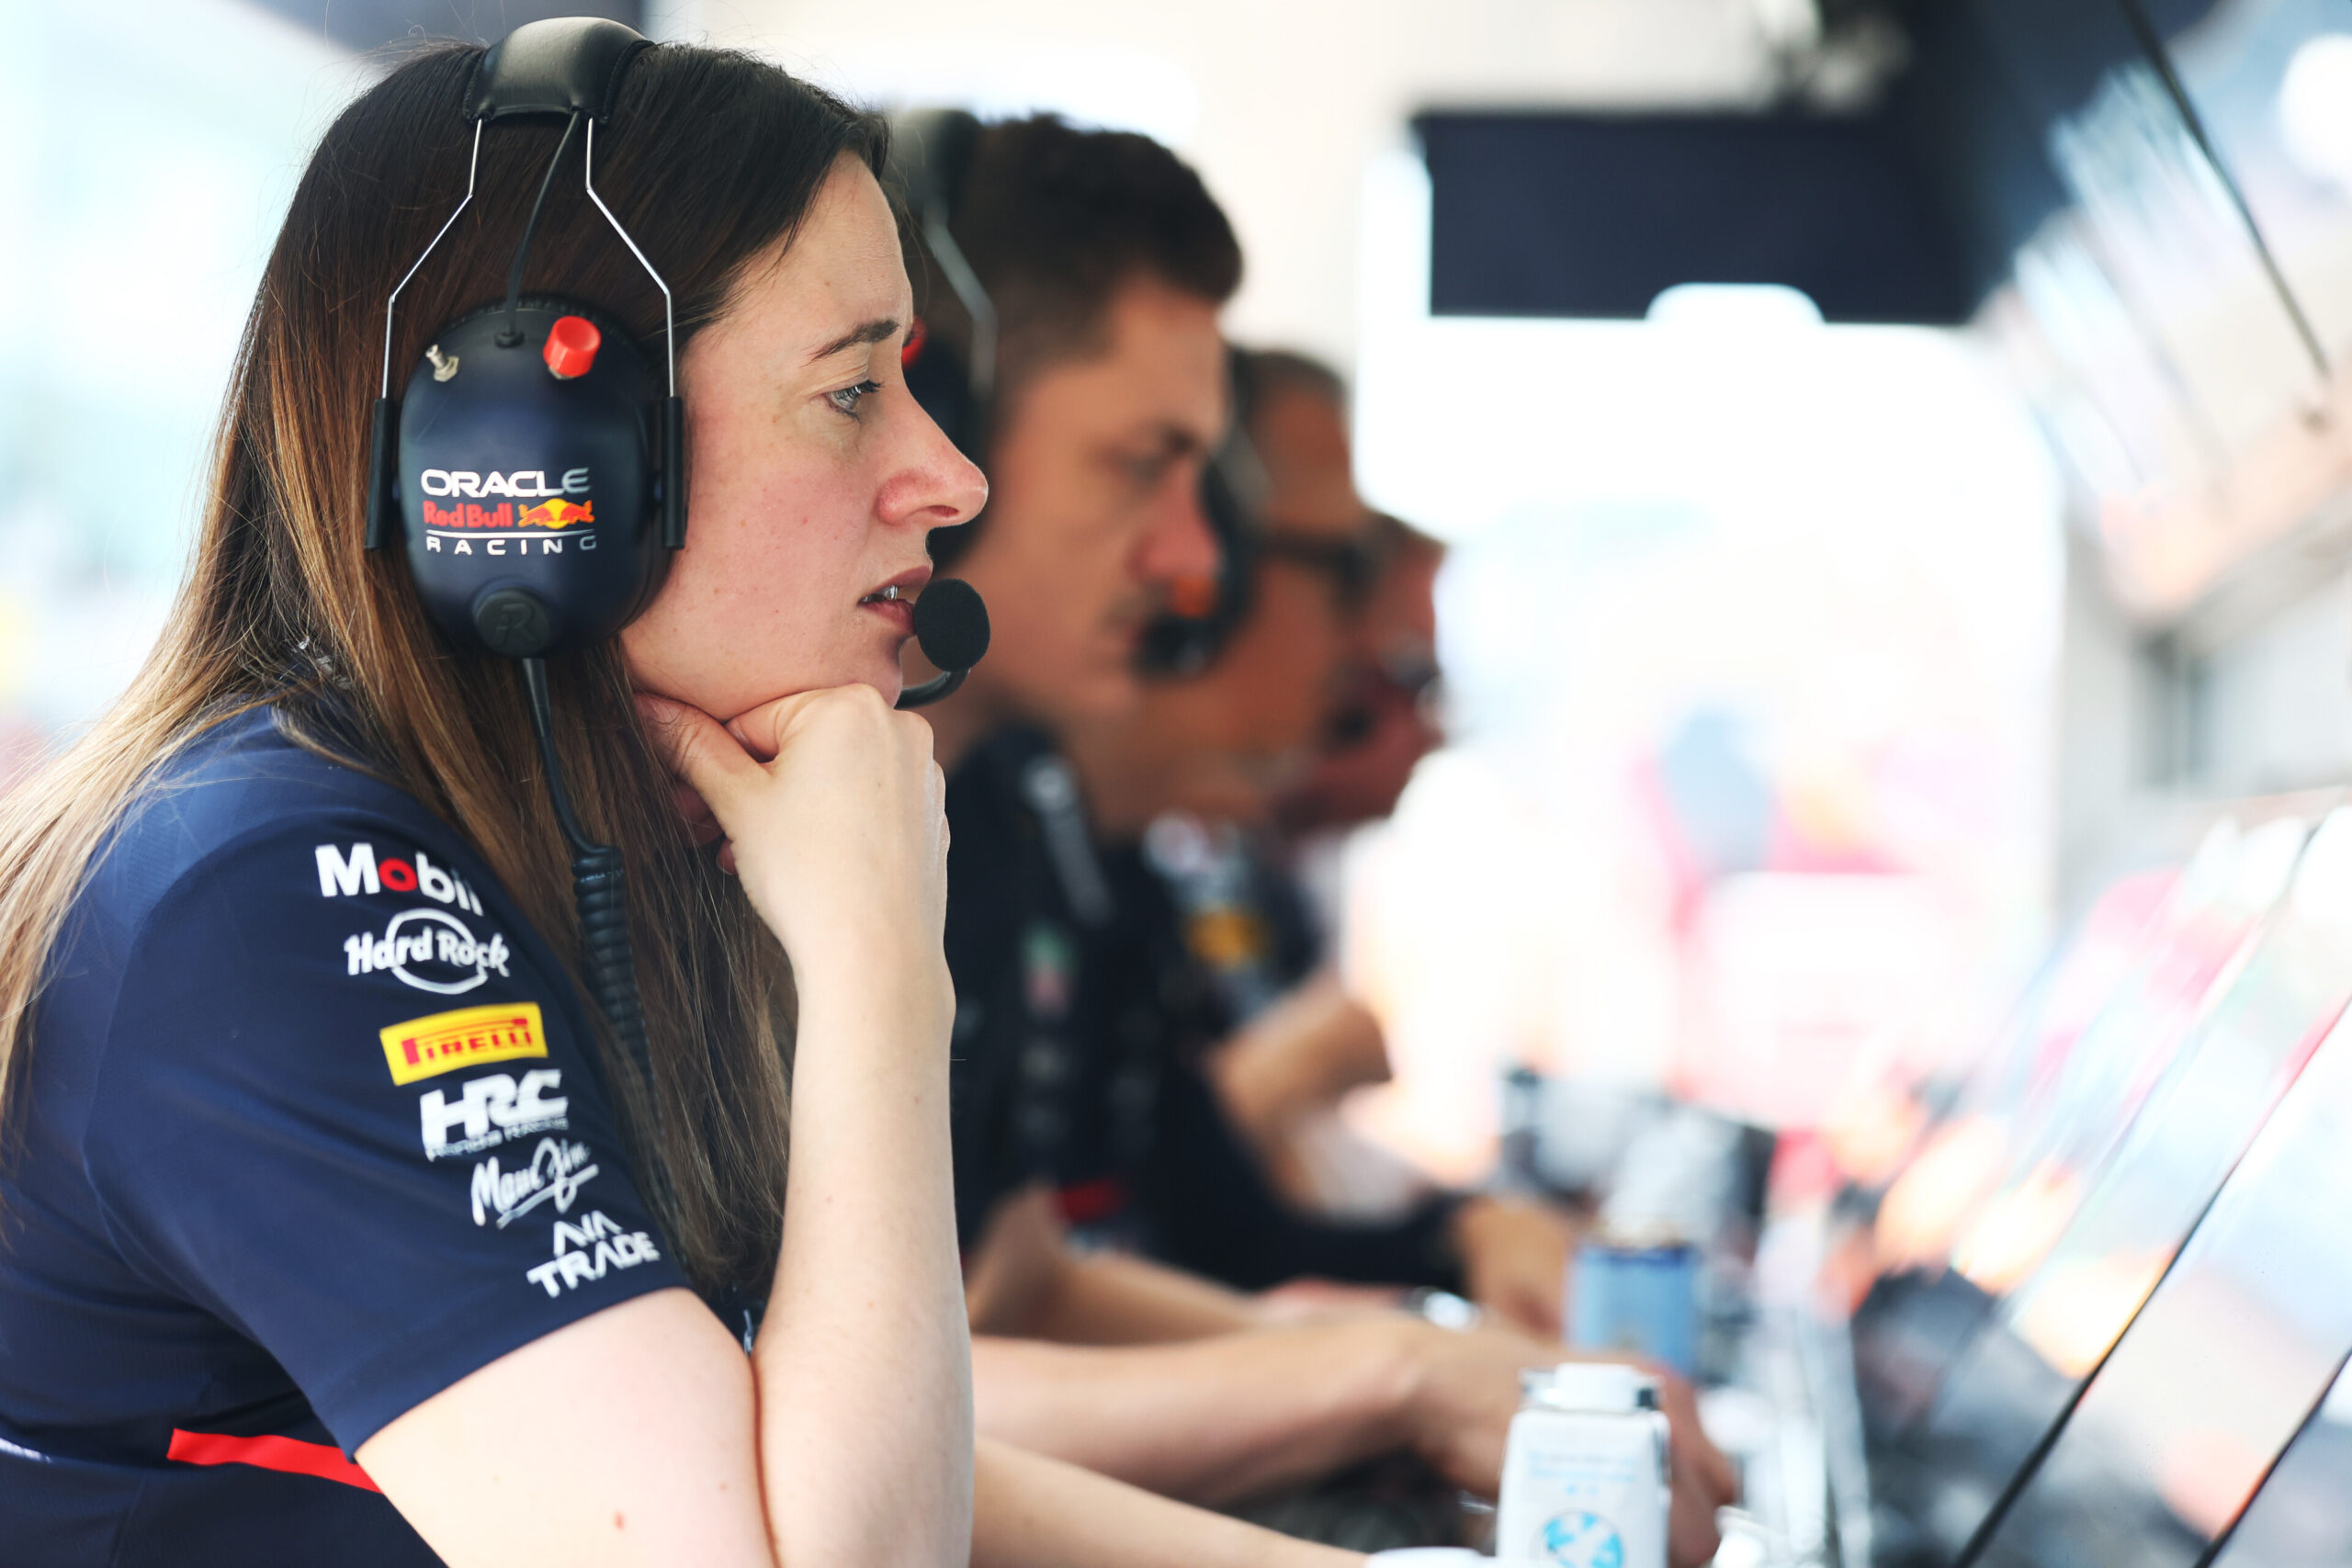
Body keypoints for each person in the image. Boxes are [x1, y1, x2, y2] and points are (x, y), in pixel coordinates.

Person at [0, 35, 1358, 1568]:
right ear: (536, 455)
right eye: (853, 393)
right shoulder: (274, 900)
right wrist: (876, 968)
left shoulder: (583, 848)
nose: (950, 478)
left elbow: (799, 1454)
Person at [907, 117, 1735, 1562]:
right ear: (949, 437)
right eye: (1138, 468)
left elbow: (1015, 1278)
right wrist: (1389, 1372)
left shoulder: (1000, 812)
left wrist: (1423, 1354)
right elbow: (847, 1420)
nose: (1190, 564)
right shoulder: (829, 827)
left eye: (1208, 492)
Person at [1061, 351, 1577, 1340]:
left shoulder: (1103, 862)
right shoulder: (1054, 854)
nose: (1352, 654)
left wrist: (1450, 1257)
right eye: (1342, 574)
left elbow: (1219, 1238)